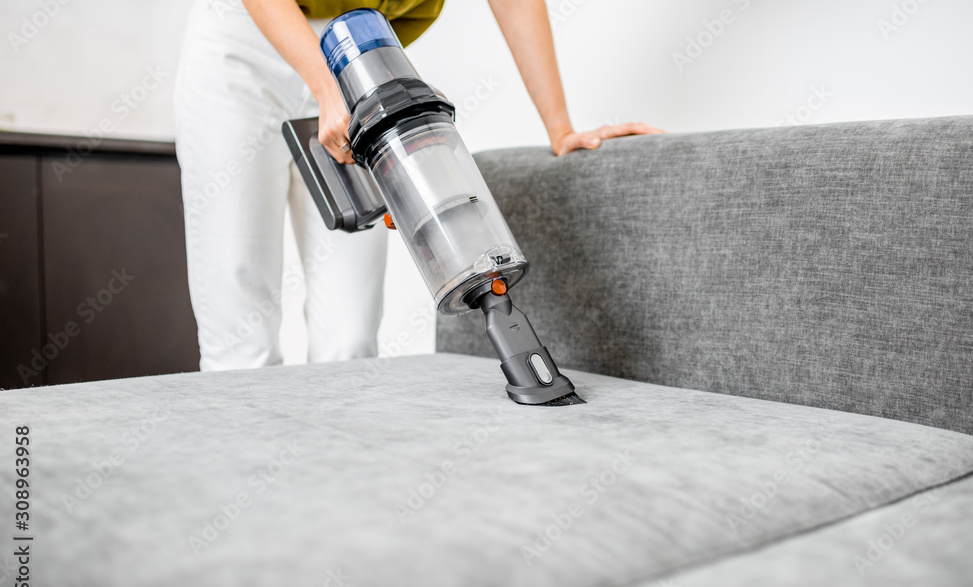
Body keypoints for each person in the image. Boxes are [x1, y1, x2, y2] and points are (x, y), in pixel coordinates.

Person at [174, 0, 662, 372]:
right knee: (240, 316)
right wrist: (324, 87)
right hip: (246, 42)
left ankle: (328, 492)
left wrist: (560, 128)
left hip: (356, 53)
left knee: (350, 332)